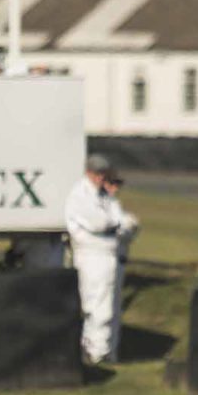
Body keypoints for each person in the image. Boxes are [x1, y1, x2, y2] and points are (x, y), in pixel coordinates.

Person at [65, 155, 123, 365]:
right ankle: (95, 352)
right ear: (88, 172)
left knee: (105, 305)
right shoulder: (80, 195)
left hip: (106, 255)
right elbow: (99, 222)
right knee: (95, 305)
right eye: (97, 173)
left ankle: (101, 351)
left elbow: (122, 222)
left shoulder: (103, 196)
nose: (101, 177)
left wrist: (115, 223)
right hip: (91, 256)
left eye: (103, 174)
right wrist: (114, 223)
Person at [104, 172, 140, 354]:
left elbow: (128, 230)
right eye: (111, 183)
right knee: (103, 312)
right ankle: (100, 354)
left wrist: (129, 226)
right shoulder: (102, 204)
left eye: (117, 184)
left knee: (114, 312)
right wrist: (126, 226)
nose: (115, 188)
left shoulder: (115, 204)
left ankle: (112, 354)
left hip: (118, 260)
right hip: (104, 261)